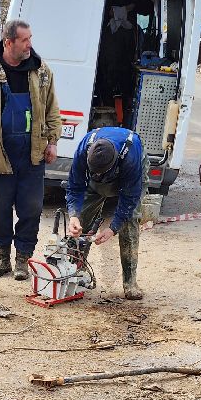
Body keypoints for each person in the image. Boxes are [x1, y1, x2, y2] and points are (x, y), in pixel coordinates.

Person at [0, 19, 62, 281]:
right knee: (0, 211)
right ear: (9, 42)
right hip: (0, 156)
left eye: (30, 38)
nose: (30, 44)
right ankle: (2, 259)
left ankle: (22, 259)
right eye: (24, 40)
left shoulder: (41, 72)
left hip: (33, 154)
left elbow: (52, 109)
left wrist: (52, 141)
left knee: (30, 209)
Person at [63, 126, 145, 300]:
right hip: (96, 179)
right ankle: (76, 271)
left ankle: (130, 282)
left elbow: (129, 199)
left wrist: (113, 229)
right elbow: (75, 186)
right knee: (82, 219)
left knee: (129, 223)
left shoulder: (130, 156)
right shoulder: (84, 149)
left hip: (131, 172)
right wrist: (74, 215)